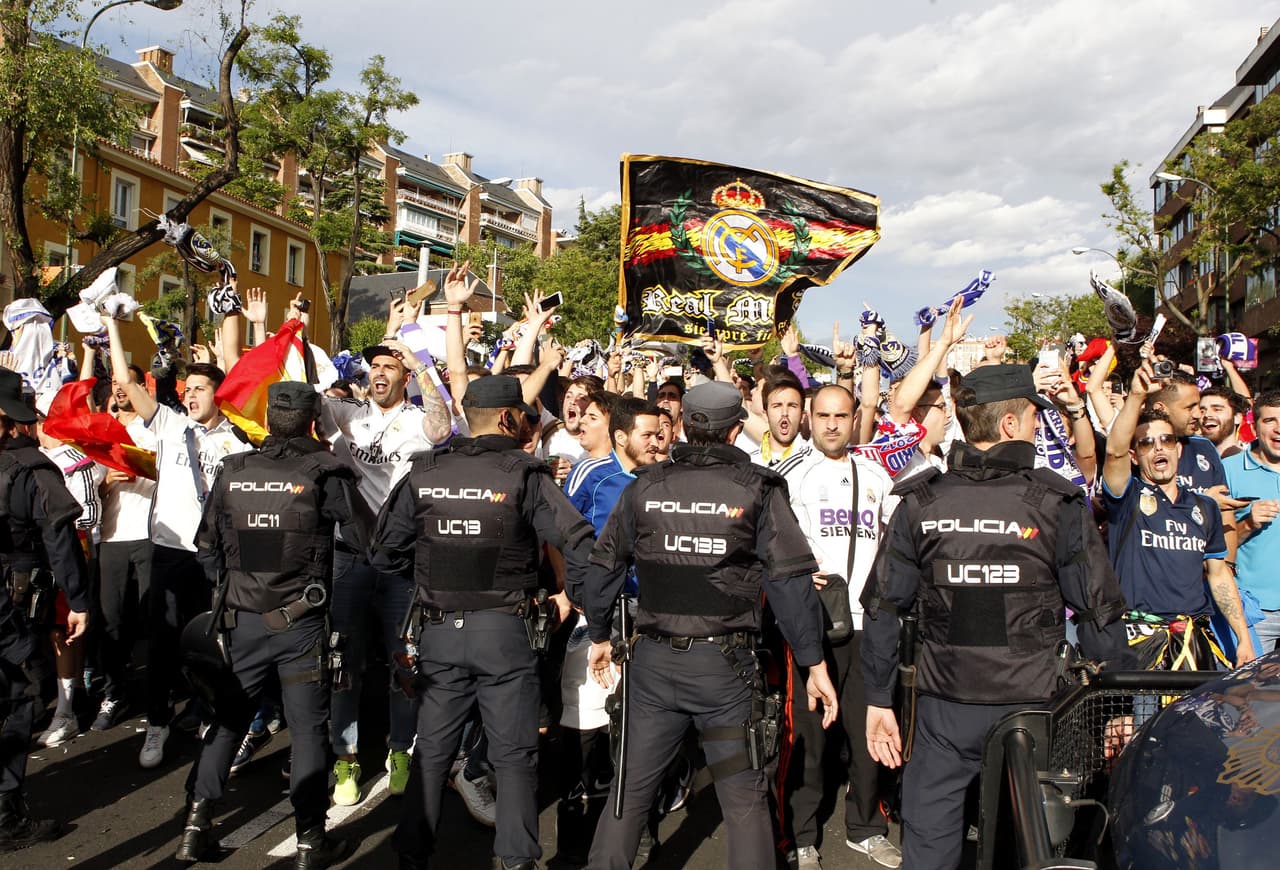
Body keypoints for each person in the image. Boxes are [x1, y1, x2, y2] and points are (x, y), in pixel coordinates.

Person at [861, 364, 1134, 870]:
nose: (1036, 427)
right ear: (1011, 425)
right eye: (1033, 417)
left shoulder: (922, 500)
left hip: (945, 706)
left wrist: (878, 700)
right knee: (1030, 844)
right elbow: (1099, 612)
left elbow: (882, 608)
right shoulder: (1057, 502)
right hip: (1029, 710)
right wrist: (1116, 706)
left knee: (929, 845)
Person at [581, 380, 839, 870]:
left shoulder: (645, 487)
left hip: (653, 664)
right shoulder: (758, 488)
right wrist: (814, 663)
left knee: (629, 791)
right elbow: (790, 583)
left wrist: (598, 635)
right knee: (742, 799)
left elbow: (602, 569)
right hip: (724, 672)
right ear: (736, 429)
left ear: (682, 426)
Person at [372, 375, 595, 870]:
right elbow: (578, 540)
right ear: (508, 418)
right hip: (504, 632)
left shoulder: (426, 471)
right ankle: (516, 861)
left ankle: (412, 854)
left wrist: (431, 571)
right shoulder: (526, 473)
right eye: (525, 415)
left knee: (432, 749)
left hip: (439, 630)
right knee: (514, 755)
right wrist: (569, 598)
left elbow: (384, 552)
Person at [174, 382, 361, 869]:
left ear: (269, 418)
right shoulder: (324, 471)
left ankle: (196, 826)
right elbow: (365, 537)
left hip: (240, 620)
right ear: (313, 421)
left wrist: (236, 586)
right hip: (299, 624)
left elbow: (207, 546)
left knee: (229, 720)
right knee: (306, 731)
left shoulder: (235, 468)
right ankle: (309, 842)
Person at [103, 314, 253, 769]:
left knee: (211, 640)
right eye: (186, 388)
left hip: (214, 557)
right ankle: (157, 723)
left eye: (199, 389)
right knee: (163, 641)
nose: (189, 394)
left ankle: (210, 711)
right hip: (168, 550)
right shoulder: (169, 426)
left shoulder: (238, 439)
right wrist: (112, 323)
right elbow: (127, 387)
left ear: (218, 397)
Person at [319, 335, 452, 805]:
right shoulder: (347, 416)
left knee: (405, 660)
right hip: (350, 556)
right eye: (373, 365)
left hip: (401, 560)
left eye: (389, 367)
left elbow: (442, 427)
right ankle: (346, 758)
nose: (379, 372)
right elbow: (298, 394)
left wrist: (419, 364)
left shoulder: (417, 419)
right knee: (344, 662)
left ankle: (401, 749)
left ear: (403, 378)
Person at [772, 385, 900, 869]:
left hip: (868, 624)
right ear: (809, 417)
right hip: (812, 627)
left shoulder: (876, 473)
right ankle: (801, 836)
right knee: (809, 736)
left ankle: (866, 827)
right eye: (821, 415)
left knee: (867, 730)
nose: (830, 424)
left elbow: (896, 538)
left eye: (840, 416)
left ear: (855, 418)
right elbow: (773, 545)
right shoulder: (790, 474)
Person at [1102, 360, 1255, 670]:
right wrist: (1134, 396)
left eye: (1167, 440)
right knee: (1145, 721)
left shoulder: (1205, 506)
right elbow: (1114, 452)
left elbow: (1218, 574)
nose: (1159, 449)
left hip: (1194, 641)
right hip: (1140, 645)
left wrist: (1243, 638)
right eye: (1146, 443)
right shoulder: (1126, 497)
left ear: (1179, 449)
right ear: (1135, 455)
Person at [0, 368, 88, 850]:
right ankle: (7, 815)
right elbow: (59, 536)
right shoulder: (32, 468)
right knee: (18, 700)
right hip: (13, 598)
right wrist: (76, 600)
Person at [1222, 389, 1280, 655]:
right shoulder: (1228, 470)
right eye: (1270, 421)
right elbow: (1213, 546)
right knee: (1248, 694)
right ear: (1254, 425)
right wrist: (1247, 524)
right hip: (1255, 610)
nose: (1279, 429)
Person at [748, 369, 809, 469]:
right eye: (777, 406)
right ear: (765, 414)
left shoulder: (816, 462)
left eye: (792, 406)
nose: (784, 413)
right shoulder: (748, 463)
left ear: (802, 415)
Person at [1200, 386, 1249, 459]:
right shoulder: (1189, 458)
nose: (1207, 415)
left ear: (1237, 418)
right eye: (1202, 411)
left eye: (1217, 409)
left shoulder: (1251, 460)